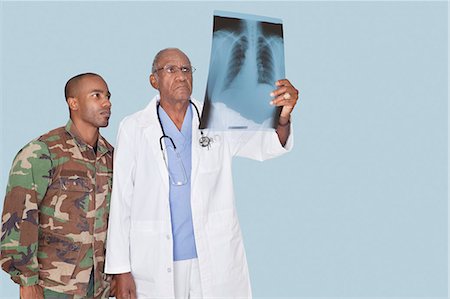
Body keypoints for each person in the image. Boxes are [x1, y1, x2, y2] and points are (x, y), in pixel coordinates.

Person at [105, 48, 298, 299]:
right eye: (171, 69)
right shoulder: (133, 127)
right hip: (153, 258)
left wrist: (283, 117)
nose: (181, 76)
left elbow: (267, 144)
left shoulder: (218, 117)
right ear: (154, 80)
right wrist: (121, 271)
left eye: (186, 69)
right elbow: (121, 199)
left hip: (212, 255)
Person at [0, 73, 114, 299]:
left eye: (108, 96)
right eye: (96, 96)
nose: (107, 103)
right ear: (73, 103)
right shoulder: (43, 152)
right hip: (53, 287)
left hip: (100, 287)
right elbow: (19, 219)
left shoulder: (111, 157)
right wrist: (26, 281)